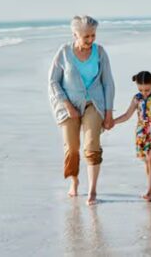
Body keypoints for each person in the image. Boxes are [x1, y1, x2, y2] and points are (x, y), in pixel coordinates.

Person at [48, 15, 116, 205]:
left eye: (93, 35)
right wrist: (67, 105)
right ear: (75, 34)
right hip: (68, 105)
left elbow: (108, 83)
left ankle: (92, 191)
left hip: (94, 104)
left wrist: (109, 112)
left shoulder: (100, 52)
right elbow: (53, 81)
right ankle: (74, 181)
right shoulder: (63, 53)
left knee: (92, 146)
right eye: (86, 36)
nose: (90, 40)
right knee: (72, 148)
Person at [112, 71, 151, 202]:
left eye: (147, 89)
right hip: (142, 133)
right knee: (147, 163)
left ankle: (150, 192)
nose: (144, 92)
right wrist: (113, 122)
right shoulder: (136, 98)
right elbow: (127, 115)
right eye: (141, 89)